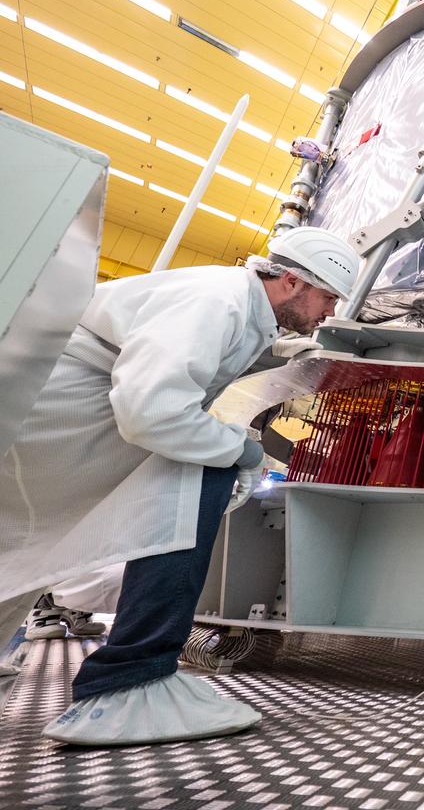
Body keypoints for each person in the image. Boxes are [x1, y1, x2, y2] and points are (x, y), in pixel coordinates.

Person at [0, 226, 357, 746]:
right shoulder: (217, 301)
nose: (328, 312)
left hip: (57, 412)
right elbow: (153, 411)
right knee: (203, 469)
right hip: (63, 411)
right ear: (290, 281)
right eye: (327, 297)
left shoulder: (236, 305)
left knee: (24, 536)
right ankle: (127, 680)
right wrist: (243, 451)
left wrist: (276, 356)